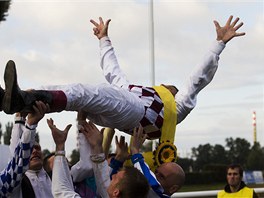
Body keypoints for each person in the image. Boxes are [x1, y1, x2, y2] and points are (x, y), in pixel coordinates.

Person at [1, 15, 245, 139]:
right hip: (120, 115)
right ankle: (21, 99)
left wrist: (218, 45)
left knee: (87, 91)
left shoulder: (178, 107)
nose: (166, 87)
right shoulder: (136, 91)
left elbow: (196, 79)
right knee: (73, 92)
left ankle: (22, 99)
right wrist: (104, 39)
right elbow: (113, 71)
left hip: (135, 114)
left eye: (169, 88)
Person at [48, 118, 150, 198]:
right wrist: (97, 146)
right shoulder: (113, 194)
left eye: (115, 178)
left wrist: (60, 146)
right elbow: (103, 180)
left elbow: (61, 192)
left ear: (116, 192)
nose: (112, 176)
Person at [110, 125, 185, 197]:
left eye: (161, 176)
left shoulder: (154, 191)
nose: (154, 176)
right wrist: (119, 160)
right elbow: (110, 184)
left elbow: (151, 183)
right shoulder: (139, 193)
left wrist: (135, 152)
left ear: (173, 189)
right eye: (155, 172)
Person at [0, 101, 49, 197]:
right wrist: (30, 126)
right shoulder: (18, 184)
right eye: (31, 149)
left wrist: (20, 118)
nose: (34, 151)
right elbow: (16, 167)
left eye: (37, 148)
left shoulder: (52, 179)